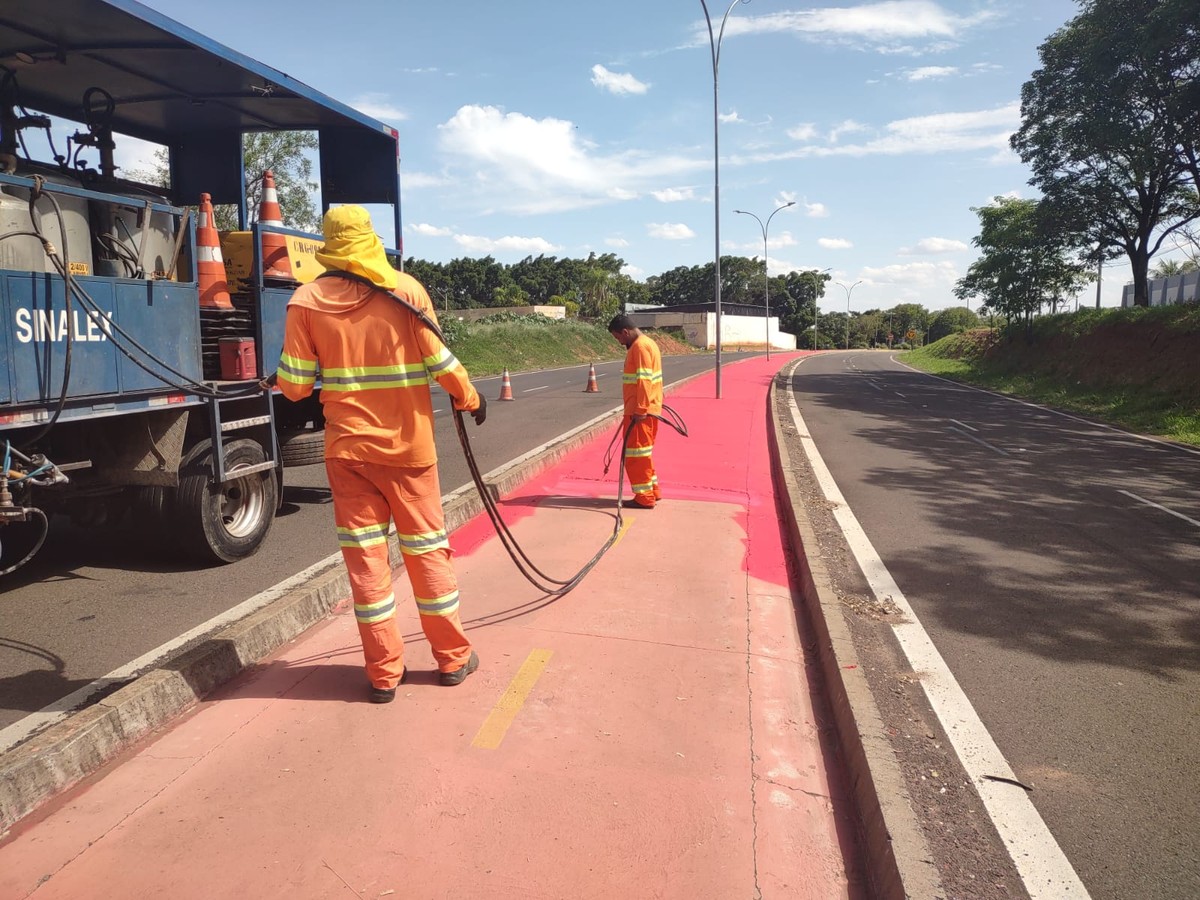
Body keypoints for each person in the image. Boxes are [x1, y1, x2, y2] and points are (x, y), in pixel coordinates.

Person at [276, 205, 484, 703]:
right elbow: (441, 362)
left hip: (347, 453)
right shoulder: (407, 291)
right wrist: (470, 396)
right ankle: (452, 660)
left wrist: (287, 373)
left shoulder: (304, 301)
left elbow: (295, 389)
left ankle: (384, 673)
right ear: (370, 239)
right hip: (409, 453)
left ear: (328, 244)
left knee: (367, 564)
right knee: (427, 554)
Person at [608, 314, 663, 509]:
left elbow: (644, 380)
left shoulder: (639, 347)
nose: (619, 342)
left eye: (618, 338)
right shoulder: (648, 343)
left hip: (640, 413)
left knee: (636, 457)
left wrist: (640, 409)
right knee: (643, 454)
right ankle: (653, 491)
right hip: (647, 410)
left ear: (625, 331)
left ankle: (644, 497)